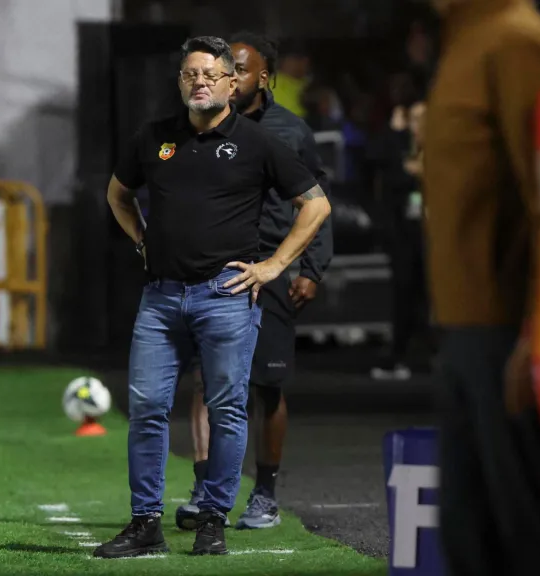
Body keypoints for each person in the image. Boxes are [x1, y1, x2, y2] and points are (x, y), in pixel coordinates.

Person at [93, 36, 331, 559]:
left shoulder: (257, 142)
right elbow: (117, 193)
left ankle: (213, 521)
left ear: (231, 82)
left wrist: (273, 266)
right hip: (159, 298)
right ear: (180, 83)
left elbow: (314, 205)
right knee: (148, 407)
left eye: (209, 74)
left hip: (224, 296)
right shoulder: (154, 137)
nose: (199, 81)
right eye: (189, 75)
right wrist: (141, 239)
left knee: (227, 409)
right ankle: (145, 522)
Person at [174, 31, 334, 532]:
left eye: (240, 69)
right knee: (207, 381)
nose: (230, 76)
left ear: (263, 77)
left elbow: (316, 202)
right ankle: (205, 486)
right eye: (226, 67)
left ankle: (264, 491)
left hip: (273, 267)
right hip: (218, 270)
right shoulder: (203, 126)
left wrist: (310, 269)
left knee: (267, 386)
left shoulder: (289, 133)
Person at [425, 0, 540, 573]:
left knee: (518, 529)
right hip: (462, 323)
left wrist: (535, 331)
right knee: (467, 531)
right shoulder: (464, 41)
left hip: (504, 326)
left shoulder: (516, 40)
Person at [370, 100, 428, 381]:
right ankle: (397, 354)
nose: (420, 125)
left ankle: (429, 356)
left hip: (434, 239)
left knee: (431, 298)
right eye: (414, 119)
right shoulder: (399, 150)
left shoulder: (442, 151)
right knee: (404, 294)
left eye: (424, 118)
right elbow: (376, 160)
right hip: (404, 236)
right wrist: (395, 132)